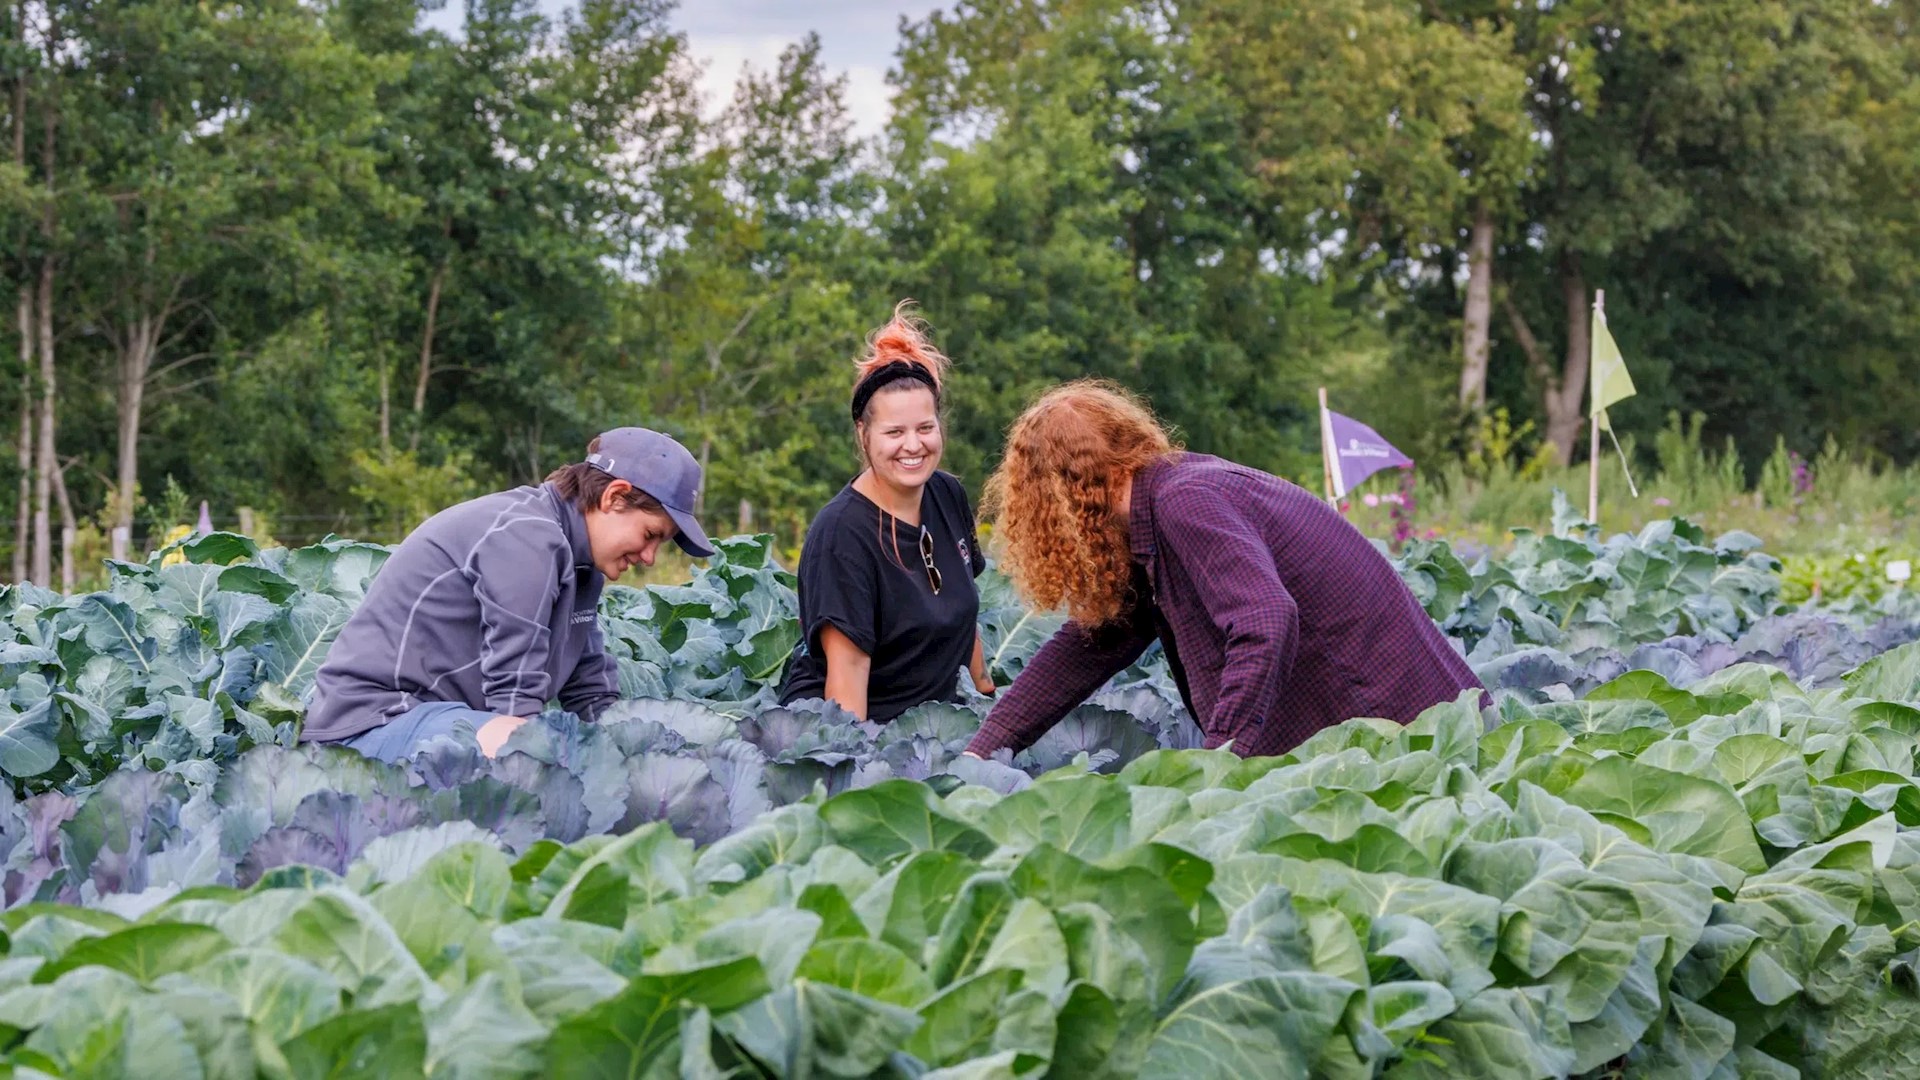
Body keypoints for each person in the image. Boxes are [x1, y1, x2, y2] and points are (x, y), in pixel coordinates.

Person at [963, 380, 1486, 760]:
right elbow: (1086, 649)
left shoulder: (1185, 502)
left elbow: (1265, 620)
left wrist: (1220, 759)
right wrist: (980, 756)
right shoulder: (1156, 509)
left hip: (1413, 733)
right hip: (1404, 728)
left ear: (1059, 499)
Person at [302, 427, 715, 762]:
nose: (648, 558)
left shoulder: (582, 566)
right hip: (369, 728)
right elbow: (515, 704)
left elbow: (591, 694)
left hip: (441, 723)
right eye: (651, 536)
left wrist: (645, 762)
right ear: (613, 497)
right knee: (521, 746)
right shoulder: (526, 538)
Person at [777, 303, 994, 722]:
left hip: (936, 725)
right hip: (870, 732)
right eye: (894, 432)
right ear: (864, 433)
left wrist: (987, 695)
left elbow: (967, 621)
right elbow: (847, 685)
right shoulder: (841, 534)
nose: (913, 446)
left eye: (925, 428)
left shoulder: (946, 494)